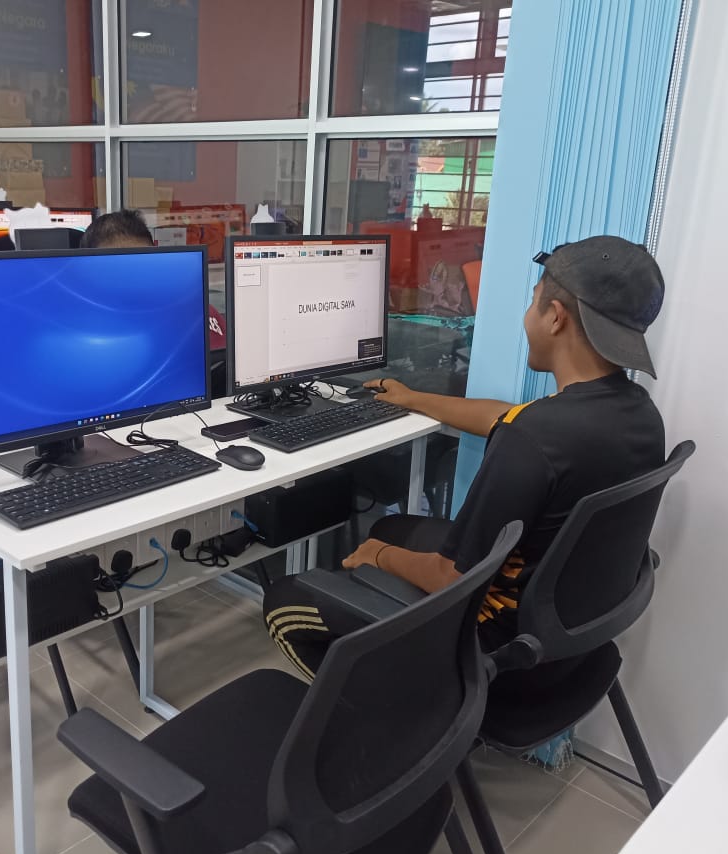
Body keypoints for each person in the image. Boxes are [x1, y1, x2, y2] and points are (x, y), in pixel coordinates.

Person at [263, 236, 668, 679]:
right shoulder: (637, 414)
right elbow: (505, 416)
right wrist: (414, 398)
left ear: (555, 317)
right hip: (564, 639)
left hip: (492, 651)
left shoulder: (531, 439)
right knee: (390, 528)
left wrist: (379, 556)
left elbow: (450, 577)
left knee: (285, 601)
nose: (527, 317)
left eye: (533, 301)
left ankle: (402, 708)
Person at [81, 209, 228, 354]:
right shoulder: (87, 332)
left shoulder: (198, 315)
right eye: (119, 272)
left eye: (142, 266)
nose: (135, 284)